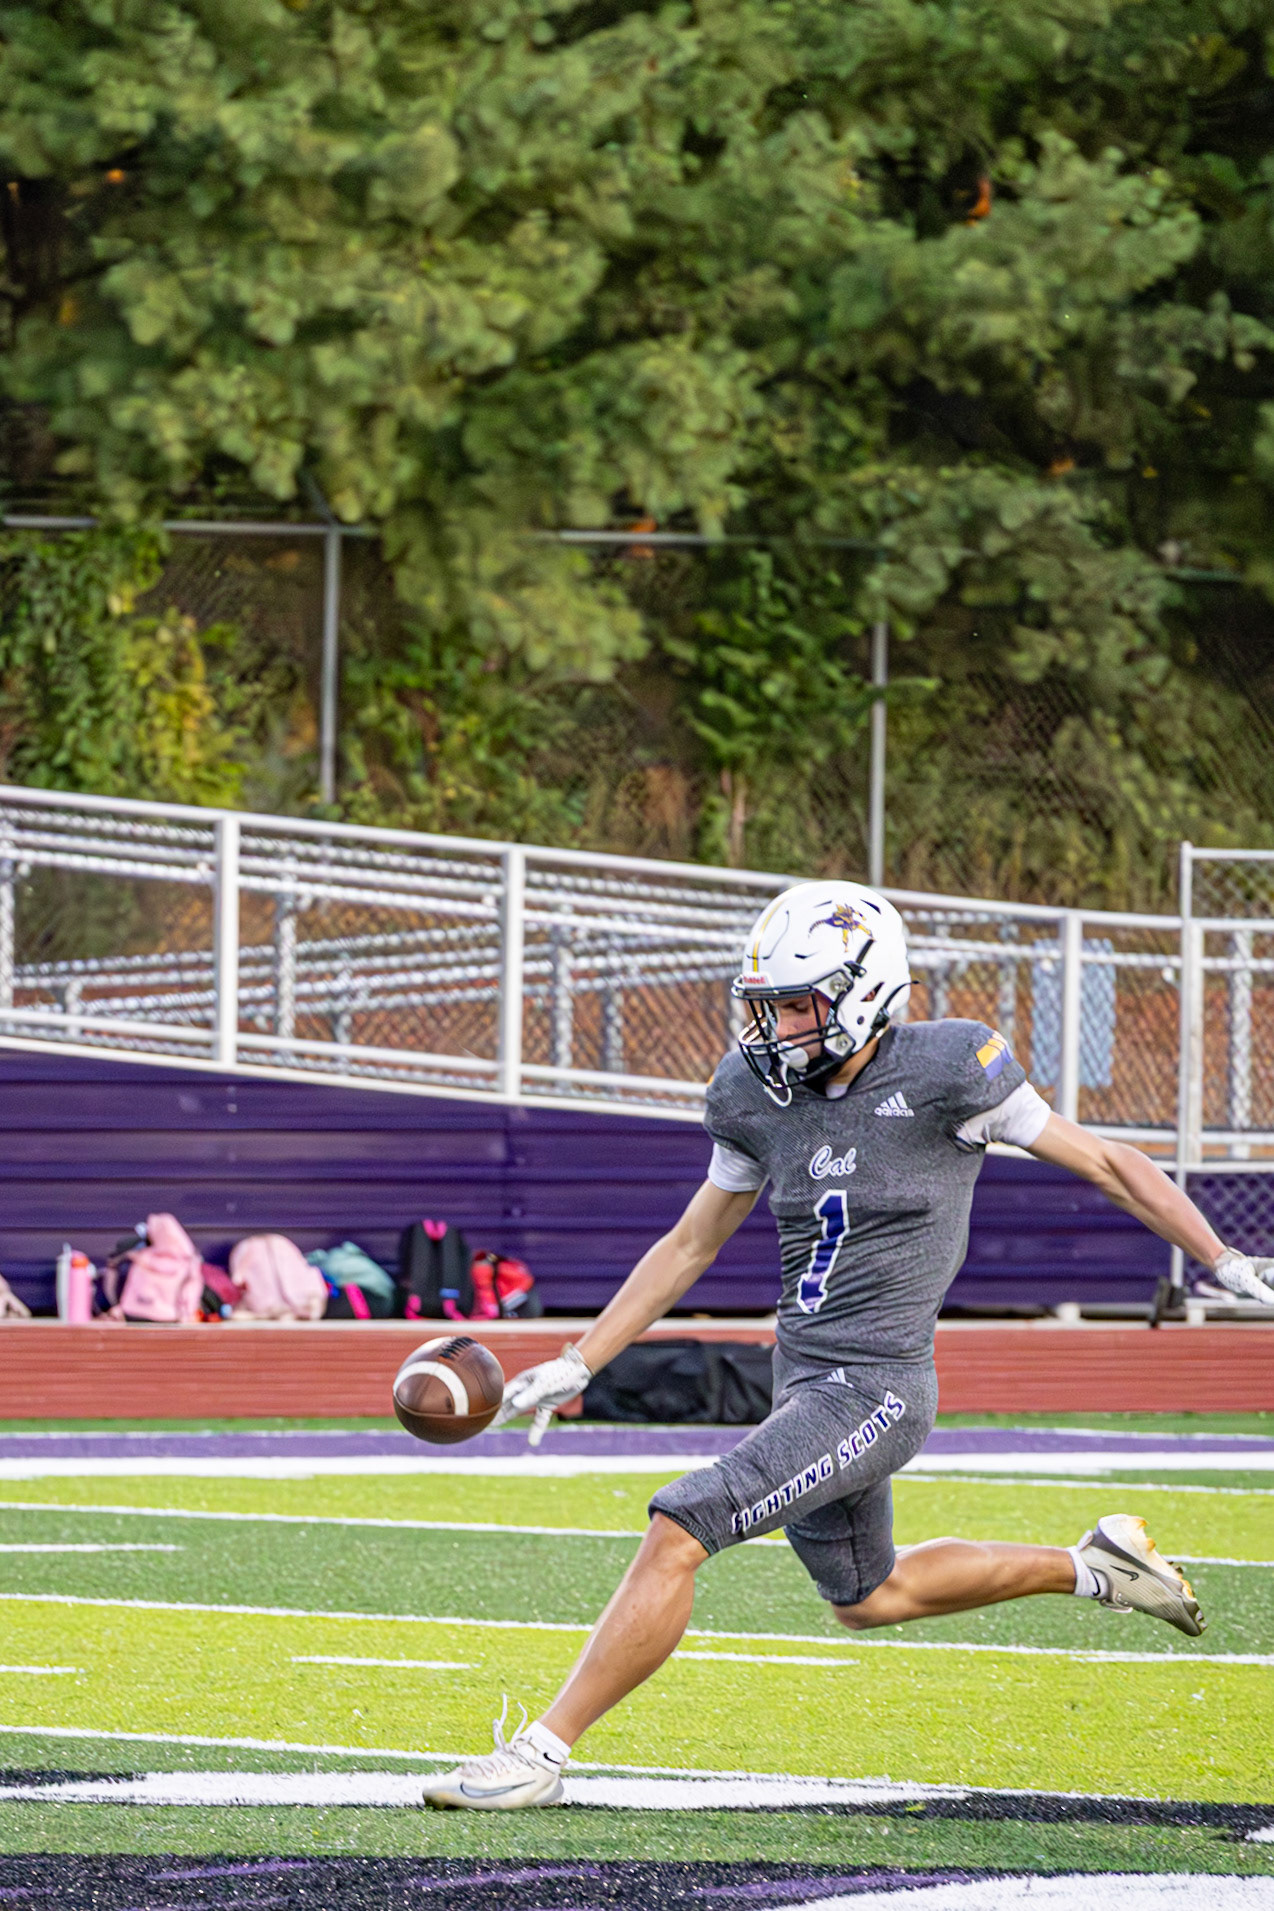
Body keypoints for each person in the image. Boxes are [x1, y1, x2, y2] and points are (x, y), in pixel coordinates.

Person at [422, 880, 1274, 1811]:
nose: (773, 1027)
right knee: (869, 1596)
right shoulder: (754, 1093)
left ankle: (542, 1752)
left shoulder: (954, 1068)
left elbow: (1111, 1163)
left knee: (681, 1525)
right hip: (804, 1380)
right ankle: (1096, 1566)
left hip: (878, 1388)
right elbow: (691, 1242)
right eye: (765, 1004)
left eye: (796, 1003)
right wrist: (581, 1359)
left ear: (866, 991)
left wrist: (1222, 1258)